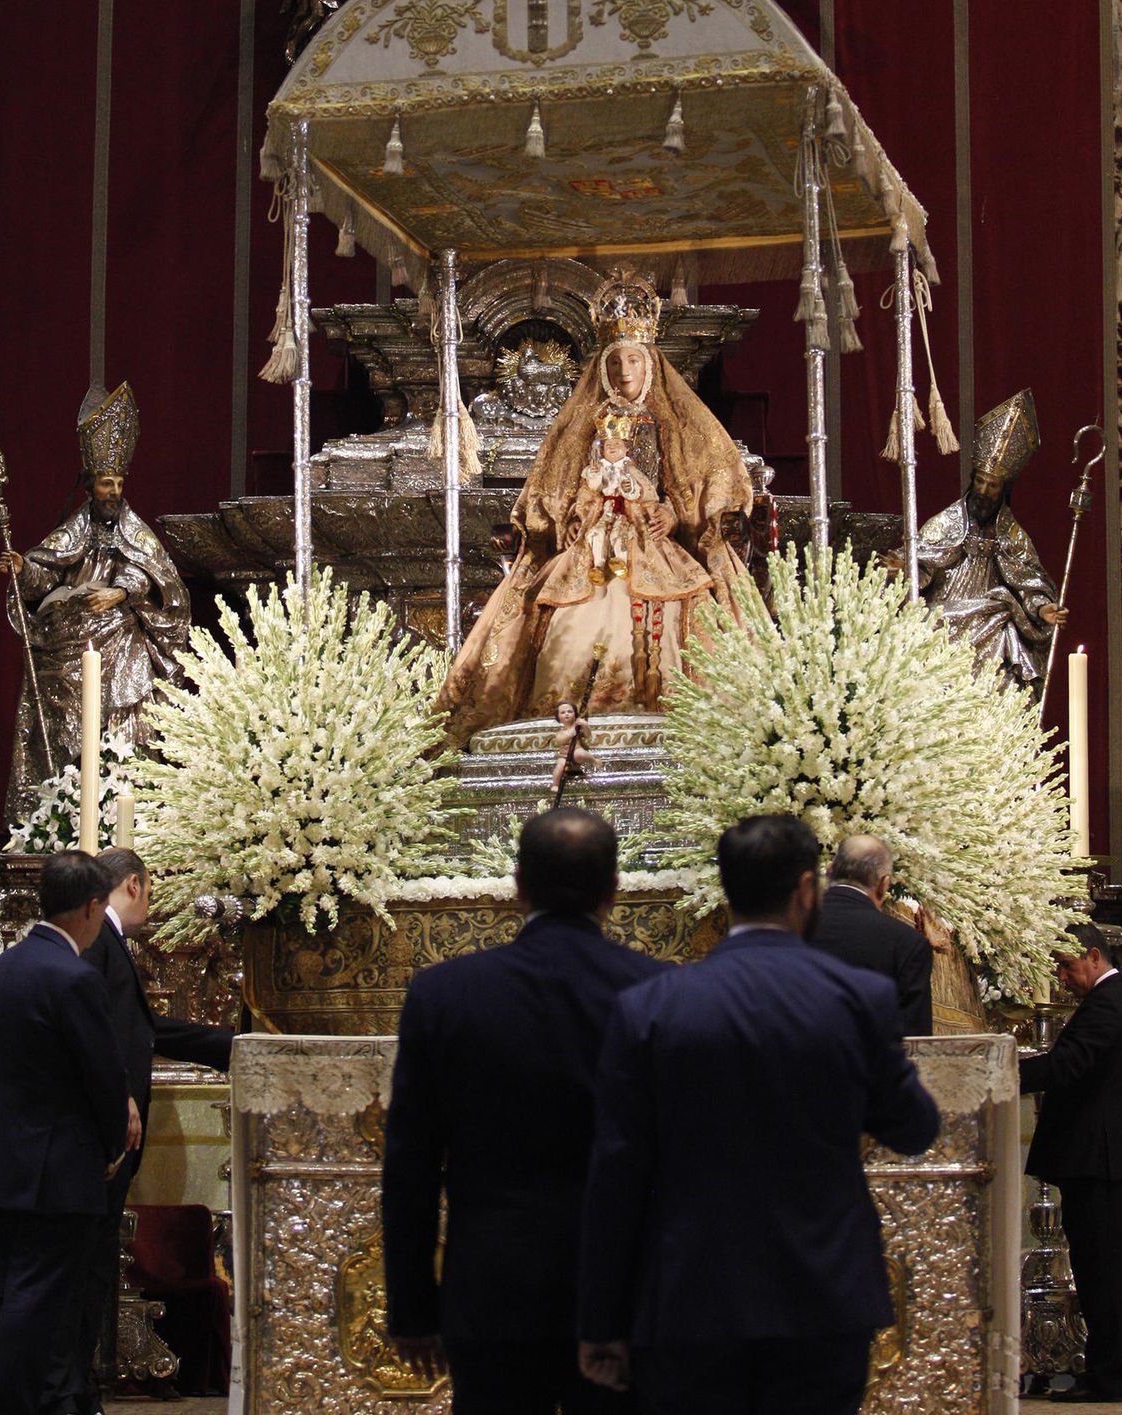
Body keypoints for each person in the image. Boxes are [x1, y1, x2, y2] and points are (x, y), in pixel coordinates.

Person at [578, 813, 940, 1415]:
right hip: (822, 1291)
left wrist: (599, 1319)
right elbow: (913, 1127)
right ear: (806, 890)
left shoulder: (653, 1005)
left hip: (691, 1293)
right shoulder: (857, 999)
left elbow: (616, 1172)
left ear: (726, 888)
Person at [383, 808, 669, 1415]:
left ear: (516, 886)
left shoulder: (445, 993)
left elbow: (410, 1163)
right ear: (615, 889)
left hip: (492, 1286)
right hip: (624, 1292)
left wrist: (411, 1306)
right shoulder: (658, 991)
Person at [439, 274, 753, 739]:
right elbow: (562, 483)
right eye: (618, 362)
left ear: (650, 366)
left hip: (655, 545)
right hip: (592, 549)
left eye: (634, 360)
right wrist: (570, 519)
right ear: (604, 369)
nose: (626, 371)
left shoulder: (673, 424)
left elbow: (699, 486)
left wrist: (675, 513)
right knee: (565, 627)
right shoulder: (586, 426)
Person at [71, 847, 236, 1415]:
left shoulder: (108, 941)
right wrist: (118, 1095)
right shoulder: (99, 942)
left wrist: (229, 1048)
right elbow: (98, 1030)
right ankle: (81, 1385)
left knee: (94, 1257)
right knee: (88, 1260)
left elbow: (143, 1030)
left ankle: (85, 1383)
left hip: (115, 1124)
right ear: (135, 886)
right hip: (107, 1126)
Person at [0, 851, 133, 1415]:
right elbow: (103, 1073)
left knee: (4, 1288)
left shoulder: (9, 965)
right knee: (39, 1298)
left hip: (15, 1156)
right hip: (61, 1166)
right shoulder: (74, 976)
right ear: (91, 907)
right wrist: (115, 1140)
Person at [0, 382, 191, 822]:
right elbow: (47, 569)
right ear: (90, 485)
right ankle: (64, 814)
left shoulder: (135, 530)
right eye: (107, 482)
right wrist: (23, 568)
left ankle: (128, 813)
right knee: (68, 731)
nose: (115, 491)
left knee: (127, 722)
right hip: (70, 642)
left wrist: (121, 592)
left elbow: (152, 572)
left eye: (120, 482)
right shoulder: (75, 529)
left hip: (121, 640)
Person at [1018, 923, 1122, 1404]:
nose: (1062, 976)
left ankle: (1108, 1376)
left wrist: (995, 1068)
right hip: (1113, 1158)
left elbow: (1064, 1066)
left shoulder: (1107, 1003)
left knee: (1104, 1273)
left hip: (1101, 1159)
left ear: (1094, 956)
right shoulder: (1118, 1001)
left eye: (1066, 964)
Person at [913, 388, 1067, 695]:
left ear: (1003, 489)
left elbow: (1030, 583)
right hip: (945, 621)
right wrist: (906, 570)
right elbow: (920, 567)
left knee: (1006, 631)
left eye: (992, 485)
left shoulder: (1013, 536)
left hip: (994, 625)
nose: (984, 491)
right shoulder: (944, 524)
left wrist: (1041, 608)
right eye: (980, 481)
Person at [810, 833, 934, 1039]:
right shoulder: (906, 943)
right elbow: (916, 1044)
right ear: (883, 884)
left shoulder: (793, 926)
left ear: (830, 870)